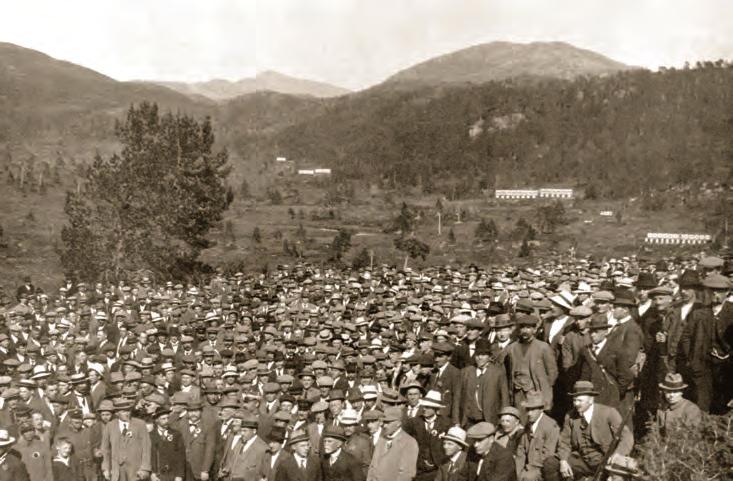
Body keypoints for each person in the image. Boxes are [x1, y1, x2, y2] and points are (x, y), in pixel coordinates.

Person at [543, 381, 633, 481]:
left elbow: (627, 437)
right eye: (574, 400)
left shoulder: (609, 413)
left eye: (580, 401)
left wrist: (618, 454)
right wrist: (563, 460)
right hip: (582, 461)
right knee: (551, 464)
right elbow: (564, 442)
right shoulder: (570, 416)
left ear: (591, 400)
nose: (576, 404)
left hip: (606, 461)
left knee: (618, 473)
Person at [505, 314, 558, 417]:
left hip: (536, 391)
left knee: (536, 419)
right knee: (521, 419)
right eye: (522, 327)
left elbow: (552, 373)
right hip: (518, 392)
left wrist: (543, 388)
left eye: (528, 328)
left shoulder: (543, 347)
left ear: (534, 329)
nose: (525, 330)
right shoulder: (512, 348)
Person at [458, 339, 509, 426]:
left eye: (483, 355)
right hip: (469, 420)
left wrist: (503, 419)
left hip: (489, 420)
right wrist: (456, 420)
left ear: (489, 357)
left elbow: (504, 399)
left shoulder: (498, 373)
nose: (480, 358)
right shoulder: (466, 372)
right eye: (477, 355)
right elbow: (457, 397)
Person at [403, 391, 451, 481]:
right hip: (418, 468)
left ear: (436, 409)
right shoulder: (413, 422)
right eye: (424, 406)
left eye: (428, 407)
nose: (424, 409)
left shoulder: (446, 423)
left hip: (437, 467)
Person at [101, 399, 152, 481]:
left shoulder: (140, 424)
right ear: (117, 413)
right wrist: (106, 468)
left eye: (128, 411)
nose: (127, 414)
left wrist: (145, 468)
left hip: (136, 470)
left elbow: (146, 447)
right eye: (124, 411)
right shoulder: (110, 426)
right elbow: (105, 449)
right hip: (117, 470)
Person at [515, 392, 560, 481]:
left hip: (541, 469)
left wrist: (528, 471)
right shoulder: (529, 425)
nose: (529, 413)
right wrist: (518, 472)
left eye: (533, 410)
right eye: (527, 410)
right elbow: (521, 450)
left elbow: (548, 456)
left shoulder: (551, 426)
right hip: (528, 468)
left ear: (541, 409)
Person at [367, 406, 418, 481]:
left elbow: (406, 474)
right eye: (384, 422)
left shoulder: (409, 442)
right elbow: (373, 466)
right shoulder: (382, 439)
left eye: (388, 422)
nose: (384, 425)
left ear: (398, 423)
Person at [149, 407, 185, 481]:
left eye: (167, 418)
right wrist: (152, 473)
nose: (166, 421)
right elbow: (148, 456)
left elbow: (181, 456)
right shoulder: (150, 436)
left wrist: (179, 475)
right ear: (156, 420)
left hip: (173, 475)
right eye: (163, 419)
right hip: (157, 476)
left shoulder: (176, 434)